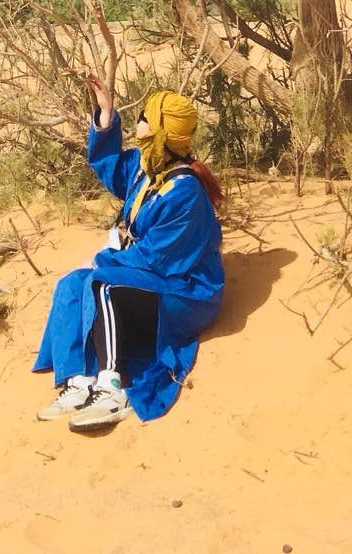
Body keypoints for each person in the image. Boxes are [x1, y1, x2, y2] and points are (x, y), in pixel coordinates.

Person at [33, 75, 224, 431]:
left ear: (162, 132)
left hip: (187, 290)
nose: (139, 121)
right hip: (153, 275)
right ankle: (78, 380)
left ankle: (112, 387)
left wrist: (103, 261)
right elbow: (112, 167)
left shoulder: (186, 194)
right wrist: (106, 117)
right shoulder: (146, 168)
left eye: (145, 117)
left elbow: (158, 259)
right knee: (72, 283)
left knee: (103, 283)